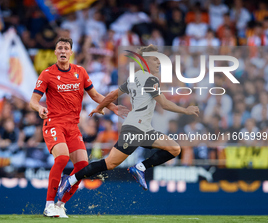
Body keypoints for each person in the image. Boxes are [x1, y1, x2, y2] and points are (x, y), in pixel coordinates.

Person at [57, 44, 199, 200]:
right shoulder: (150, 80)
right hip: (135, 129)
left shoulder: (134, 78)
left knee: (174, 148)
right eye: (154, 59)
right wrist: (186, 111)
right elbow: (164, 104)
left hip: (143, 128)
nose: (158, 63)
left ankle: (140, 168)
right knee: (109, 163)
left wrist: (100, 107)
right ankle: (70, 179)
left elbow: (112, 95)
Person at [29, 37, 127, 218]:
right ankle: (48, 204)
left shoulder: (80, 72)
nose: (63, 51)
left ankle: (60, 204)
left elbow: (95, 95)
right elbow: (33, 101)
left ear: (71, 52)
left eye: (66, 48)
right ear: (56, 52)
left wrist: (112, 107)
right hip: (54, 123)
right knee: (62, 157)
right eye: (60, 48)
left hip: (73, 127)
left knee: (82, 166)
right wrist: (40, 108)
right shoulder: (47, 74)